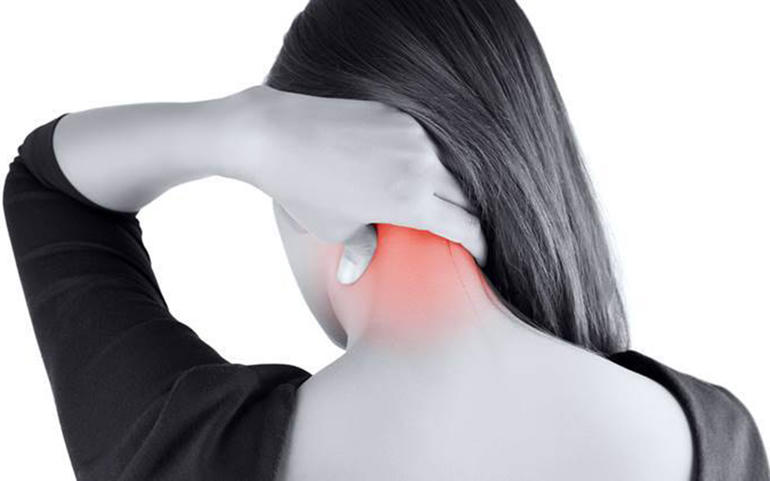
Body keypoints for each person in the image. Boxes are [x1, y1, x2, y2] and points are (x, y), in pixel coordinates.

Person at [4, 0, 768, 480]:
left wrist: (243, 129)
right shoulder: (717, 437)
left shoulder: (179, 447)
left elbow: (47, 189)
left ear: (302, 207)